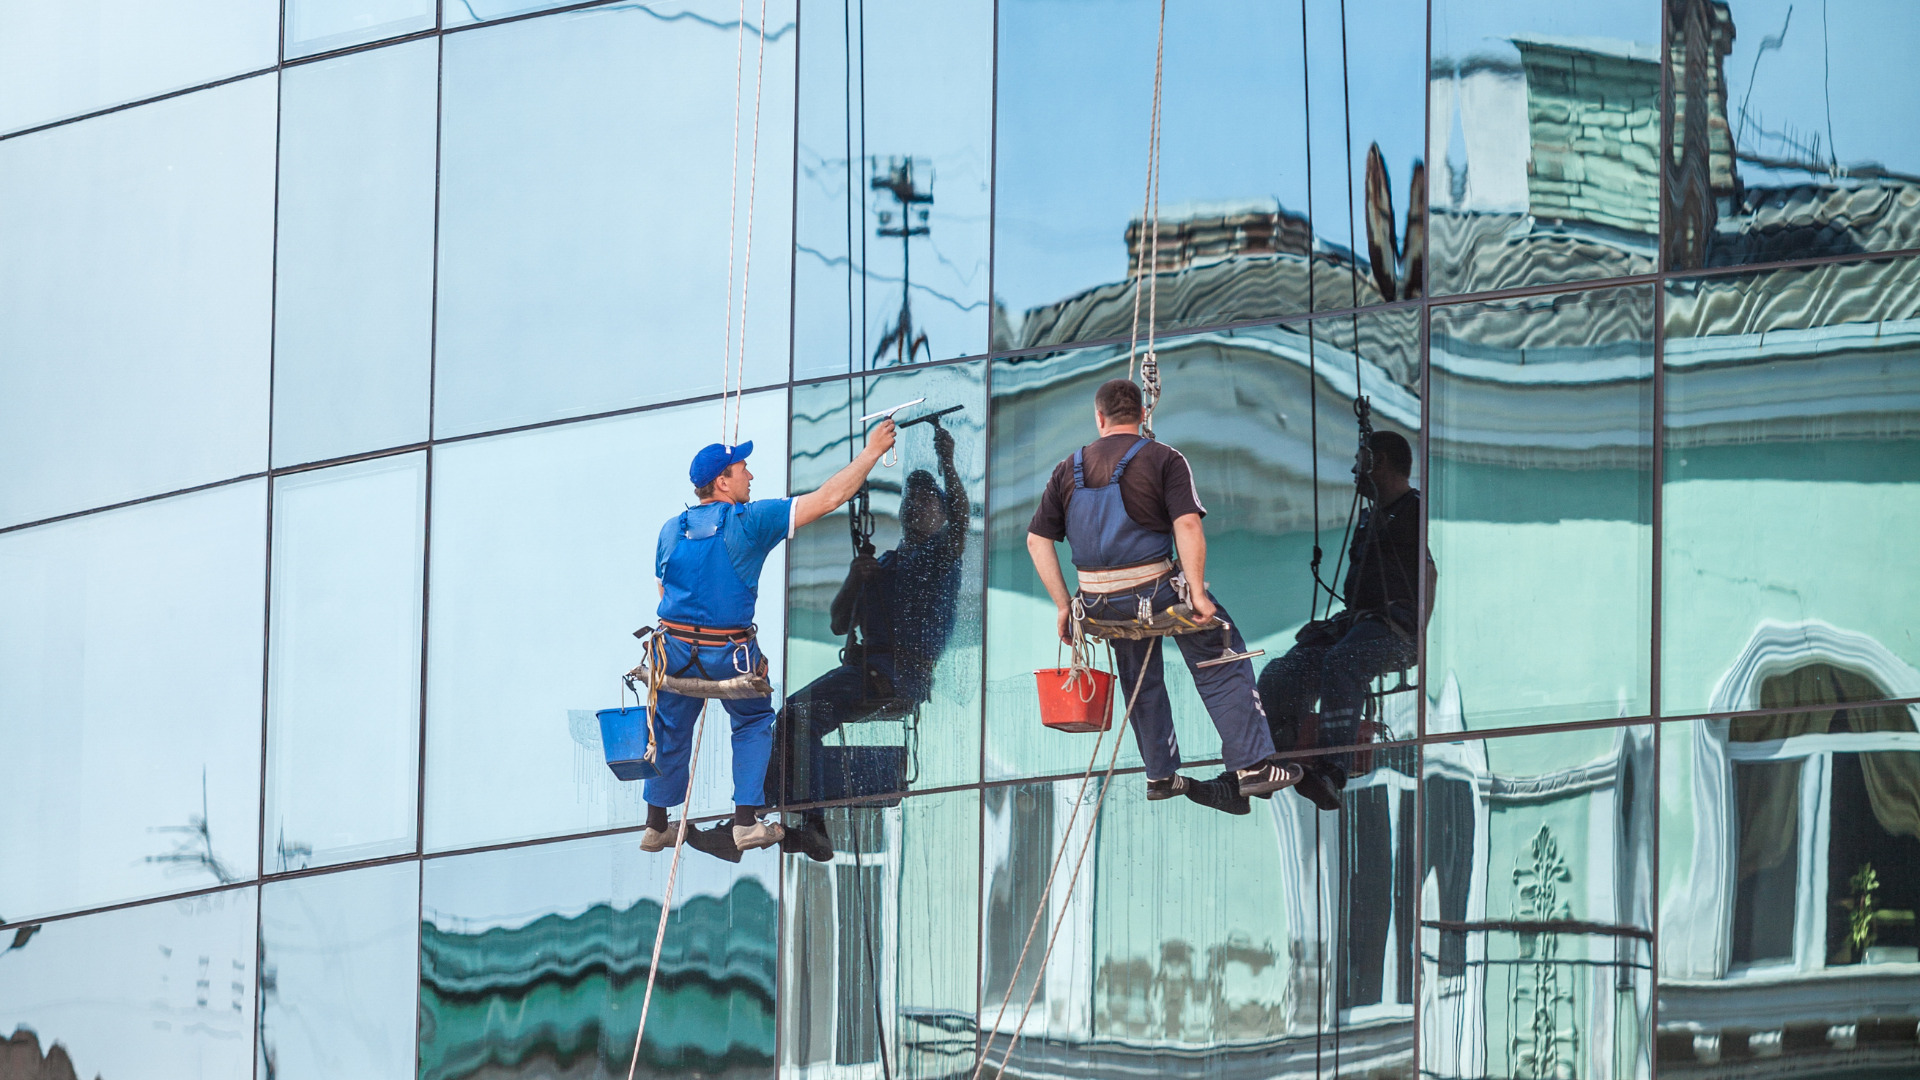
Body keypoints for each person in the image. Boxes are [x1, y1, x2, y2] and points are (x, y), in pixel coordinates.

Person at [1025, 378, 1301, 802]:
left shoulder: (1068, 468)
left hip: (1098, 606)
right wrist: (1198, 593)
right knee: (1219, 652)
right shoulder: (1164, 459)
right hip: (1154, 595)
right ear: (1142, 415)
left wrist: (1064, 605)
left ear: (1099, 418)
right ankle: (1252, 766)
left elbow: (1037, 540)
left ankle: (1160, 774)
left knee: (1138, 673)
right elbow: (1187, 525)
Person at [641, 419, 896, 854]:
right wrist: (872, 452)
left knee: (669, 725)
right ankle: (745, 822)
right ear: (723, 481)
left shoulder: (671, 529)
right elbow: (830, 498)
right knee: (755, 721)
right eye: (743, 469)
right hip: (728, 656)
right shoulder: (751, 521)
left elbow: (663, 589)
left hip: (676, 652)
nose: (751, 476)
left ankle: (657, 825)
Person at [778, 422, 970, 861]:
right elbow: (838, 622)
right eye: (912, 501)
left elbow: (961, 518)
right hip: (873, 671)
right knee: (790, 720)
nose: (917, 508)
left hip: (894, 674)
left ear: (939, 512)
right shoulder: (882, 563)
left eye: (928, 502)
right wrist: (854, 578)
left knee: (797, 714)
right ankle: (801, 818)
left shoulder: (939, 556)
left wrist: (948, 463)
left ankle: (810, 822)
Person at [1246, 429, 1426, 813]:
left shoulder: (1416, 511)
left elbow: (1431, 572)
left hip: (1393, 625)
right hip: (1358, 624)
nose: (1354, 471)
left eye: (1362, 463)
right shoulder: (1369, 517)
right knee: (1283, 672)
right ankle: (1273, 758)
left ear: (1381, 464)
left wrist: (1417, 635)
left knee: (1342, 662)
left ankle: (1333, 772)